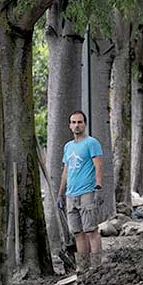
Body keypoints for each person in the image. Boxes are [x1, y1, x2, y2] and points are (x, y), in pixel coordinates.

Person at [57, 111, 106, 273]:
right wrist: (60, 193)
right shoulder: (68, 146)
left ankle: (97, 266)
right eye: (73, 122)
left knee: (91, 230)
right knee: (77, 232)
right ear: (70, 125)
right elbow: (66, 170)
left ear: (85, 124)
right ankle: (83, 267)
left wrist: (98, 187)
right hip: (71, 194)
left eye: (80, 122)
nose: (76, 125)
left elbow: (99, 165)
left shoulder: (92, 143)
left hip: (87, 192)